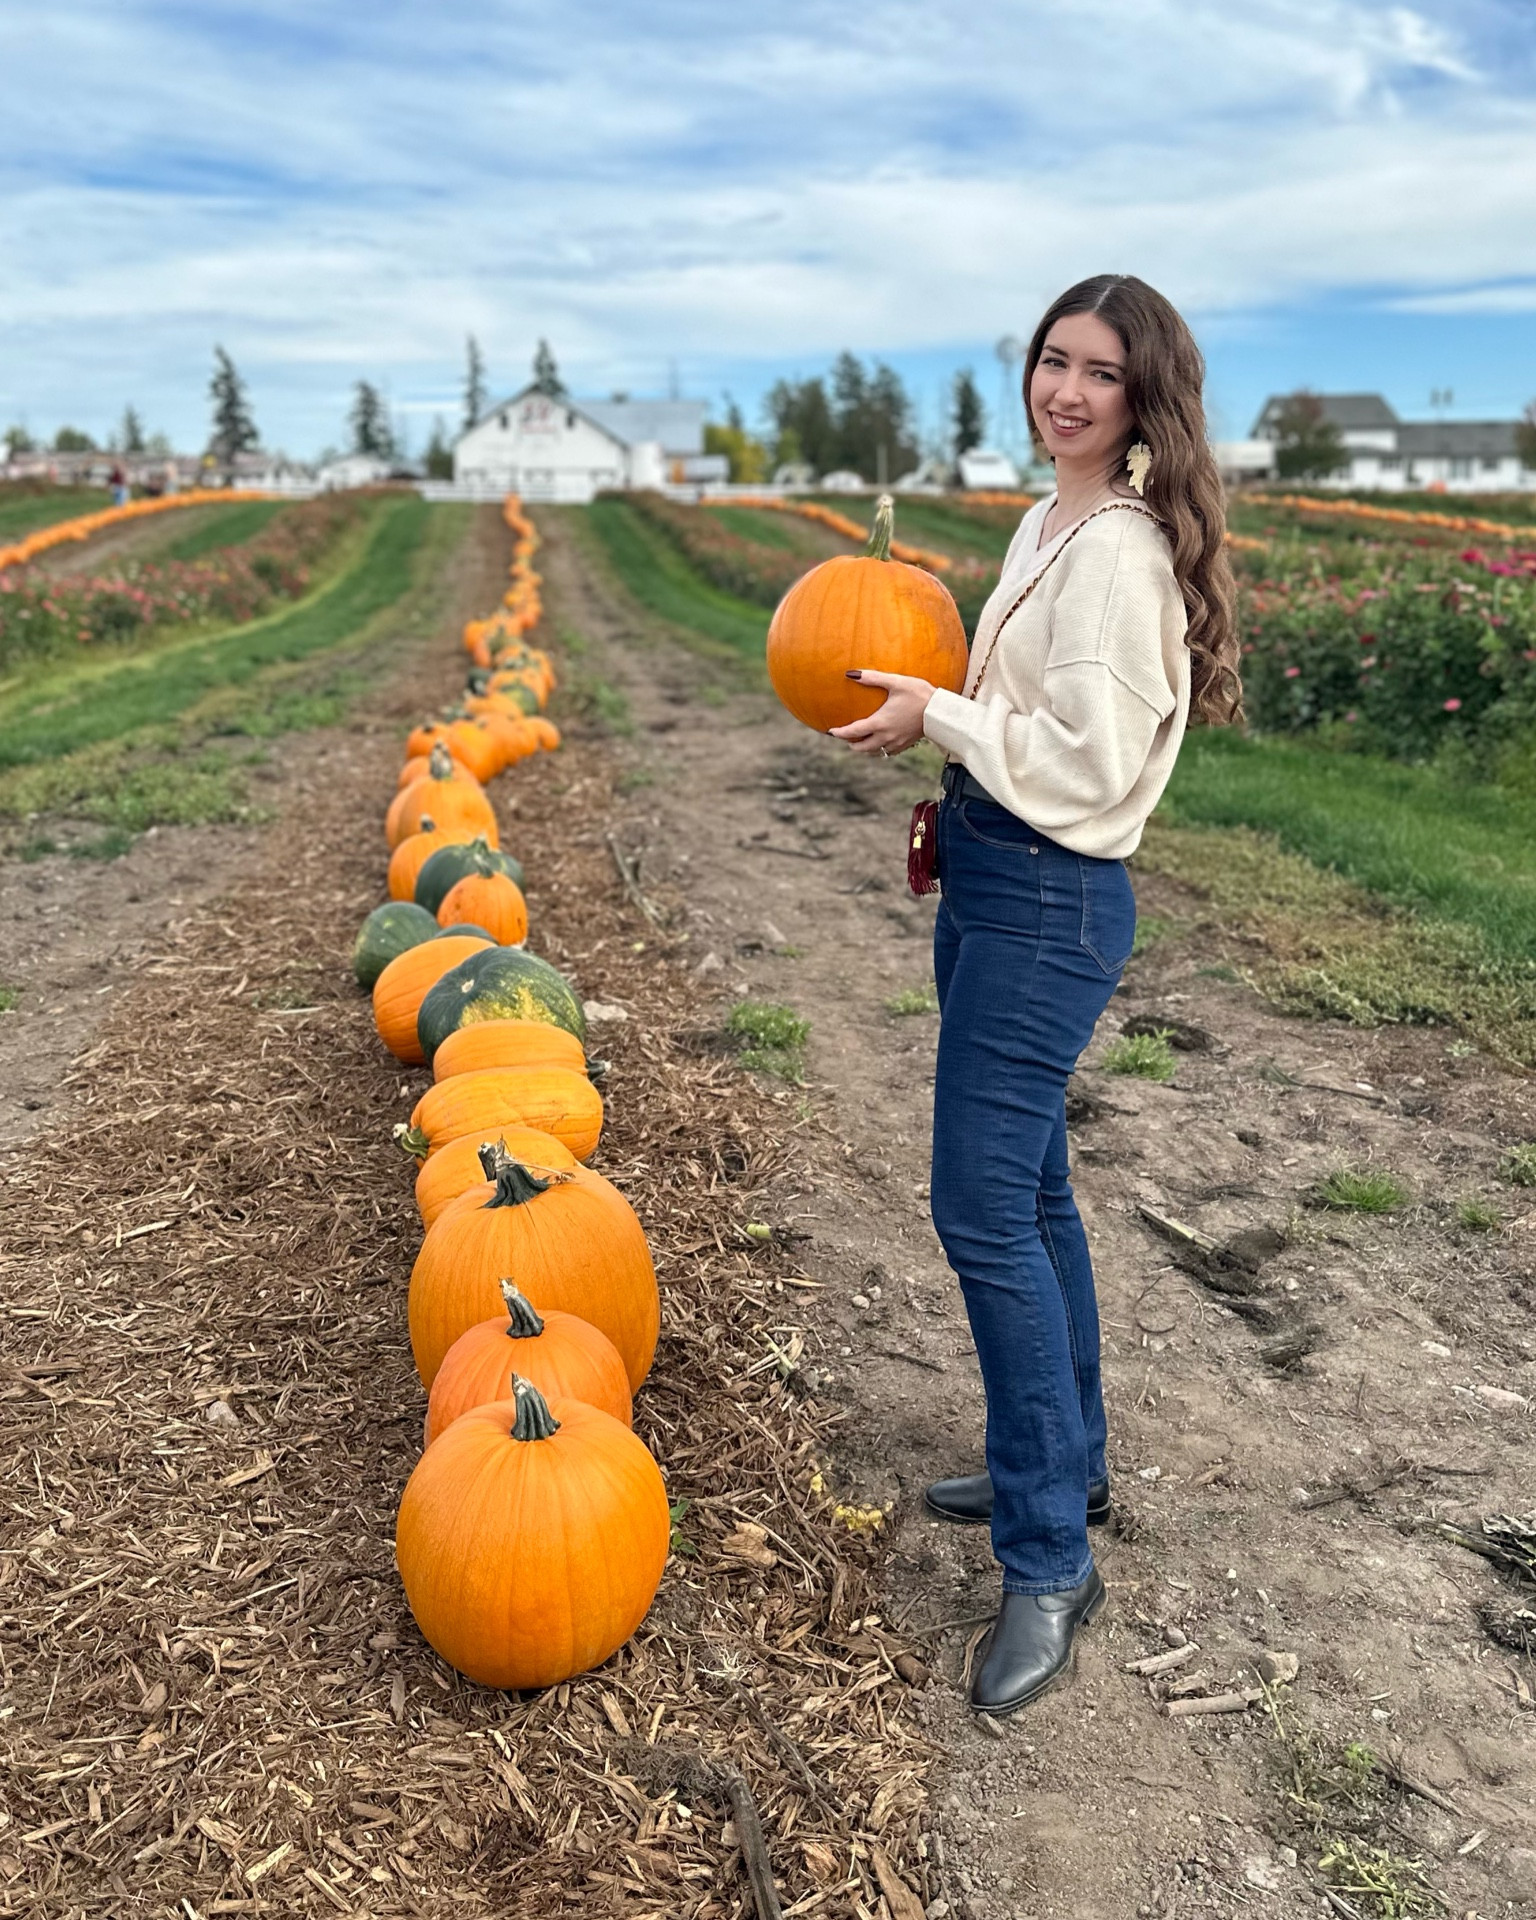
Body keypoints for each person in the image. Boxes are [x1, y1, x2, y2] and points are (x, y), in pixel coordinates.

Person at [829, 274, 1243, 1715]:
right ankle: (1068, 1461)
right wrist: (935, 718)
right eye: (1051, 361)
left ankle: (1050, 1557)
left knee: (983, 1208)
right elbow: (1021, 729)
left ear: (1148, 400)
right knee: (1039, 1191)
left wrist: (940, 713)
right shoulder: (1048, 520)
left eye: (1100, 374)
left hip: (1055, 896)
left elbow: (1081, 763)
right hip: (997, 875)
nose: (1065, 390)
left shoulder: (1119, 554)